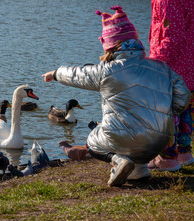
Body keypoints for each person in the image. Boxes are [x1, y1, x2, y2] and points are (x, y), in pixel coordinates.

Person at [42, 6, 190, 187]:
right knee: (137, 137)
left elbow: (78, 74)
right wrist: (165, 113)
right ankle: (139, 171)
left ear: (110, 45)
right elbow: (184, 97)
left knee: (93, 139)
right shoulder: (163, 68)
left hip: (124, 139)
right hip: (159, 143)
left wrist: (56, 73)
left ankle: (117, 160)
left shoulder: (108, 71)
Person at [148, 0, 194, 171]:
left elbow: (171, 36)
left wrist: (154, 63)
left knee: (166, 115)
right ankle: (184, 154)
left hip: (171, 69)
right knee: (185, 112)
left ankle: (167, 159)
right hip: (189, 67)